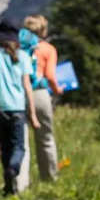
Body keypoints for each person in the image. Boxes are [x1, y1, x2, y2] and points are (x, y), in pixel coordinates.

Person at [0, 21, 40, 195]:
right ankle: (13, 170)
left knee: (5, 146)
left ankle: (8, 185)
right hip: (17, 107)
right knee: (19, 147)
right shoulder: (23, 56)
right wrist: (32, 114)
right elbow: (27, 87)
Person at [17, 14, 63, 185]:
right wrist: (57, 89)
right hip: (40, 94)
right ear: (43, 30)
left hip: (20, 94)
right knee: (46, 138)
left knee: (22, 141)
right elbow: (50, 75)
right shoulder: (48, 49)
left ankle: (21, 183)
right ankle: (50, 178)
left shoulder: (18, 48)